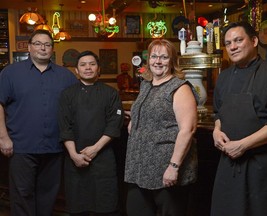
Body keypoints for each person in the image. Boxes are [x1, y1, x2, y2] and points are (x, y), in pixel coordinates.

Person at [211, 21, 267, 216]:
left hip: (262, 166)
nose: (233, 47)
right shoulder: (223, 77)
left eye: (238, 40)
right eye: (228, 43)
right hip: (228, 165)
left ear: (254, 41)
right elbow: (218, 113)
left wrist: (243, 145)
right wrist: (216, 131)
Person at [0, 29, 78, 216]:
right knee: (22, 196)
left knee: (48, 196)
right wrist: (3, 137)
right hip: (21, 146)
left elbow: (79, 106)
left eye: (47, 44)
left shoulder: (66, 76)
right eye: (38, 43)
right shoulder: (10, 73)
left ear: (52, 49)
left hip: (55, 147)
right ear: (29, 47)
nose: (43, 48)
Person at [124, 39, 199, 216]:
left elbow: (187, 130)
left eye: (164, 57)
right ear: (148, 60)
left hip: (166, 167)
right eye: (154, 56)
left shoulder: (180, 88)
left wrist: (174, 166)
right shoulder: (146, 84)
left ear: (172, 61)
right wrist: (135, 120)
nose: (158, 61)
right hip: (139, 167)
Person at [58, 50, 124, 216]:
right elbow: (65, 126)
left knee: (105, 207)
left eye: (92, 64)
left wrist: (95, 149)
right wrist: (74, 154)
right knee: (77, 207)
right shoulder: (67, 94)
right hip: (75, 158)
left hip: (103, 158)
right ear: (77, 71)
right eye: (83, 65)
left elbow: (114, 124)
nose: (88, 68)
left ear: (98, 69)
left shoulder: (111, 93)